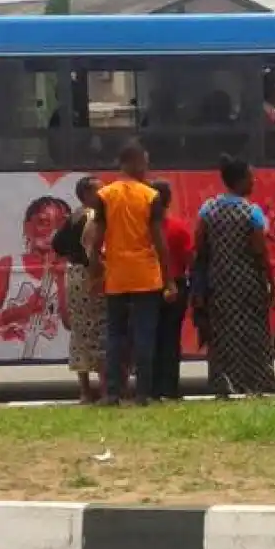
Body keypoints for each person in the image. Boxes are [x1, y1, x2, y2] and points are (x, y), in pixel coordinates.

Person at [89, 139, 172, 406]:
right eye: (144, 162)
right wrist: (169, 278)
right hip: (146, 274)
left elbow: (97, 237)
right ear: (132, 162)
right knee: (144, 335)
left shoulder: (105, 195)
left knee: (115, 335)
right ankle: (142, 394)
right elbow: (159, 241)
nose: (146, 167)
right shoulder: (150, 196)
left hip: (117, 274)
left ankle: (112, 392)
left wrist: (94, 267)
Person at [194, 154, 275, 394]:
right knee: (253, 334)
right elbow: (261, 253)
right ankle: (256, 384)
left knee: (221, 335)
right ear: (240, 181)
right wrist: (270, 283)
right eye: (251, 178)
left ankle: (224, 385)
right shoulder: (252, 212)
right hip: (248, 282)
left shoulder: (207, 209)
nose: (254, 182)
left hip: (218, 282)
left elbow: (199, 246)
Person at [52, 176, 106, 403]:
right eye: (99, 190)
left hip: (74, 275)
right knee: (101, 329)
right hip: (90, 276)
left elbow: (57, 245)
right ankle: (106, 389)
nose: (104, 194)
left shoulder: (74, 215)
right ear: (87, 194)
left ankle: (85, 391)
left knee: (80, 333)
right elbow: (95, 251)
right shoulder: (93, 216)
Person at [0, 196, 71, 362]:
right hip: (10, 360)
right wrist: (20, 311)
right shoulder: (9, 265)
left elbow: (75, 323)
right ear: (28, 226)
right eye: (44, 223)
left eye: (60, 225)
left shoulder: (74, 269)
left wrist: (61, 280)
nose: (52, 231)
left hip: (59, 362)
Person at [151, 180, 192, 400]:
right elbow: (188, 258)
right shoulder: (178, 227)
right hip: (175, 285)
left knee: (149, 338)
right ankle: (170, 389)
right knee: (170, 339)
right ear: (169, 200)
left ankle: (150, 389)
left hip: (147, 287)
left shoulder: (142, 229)